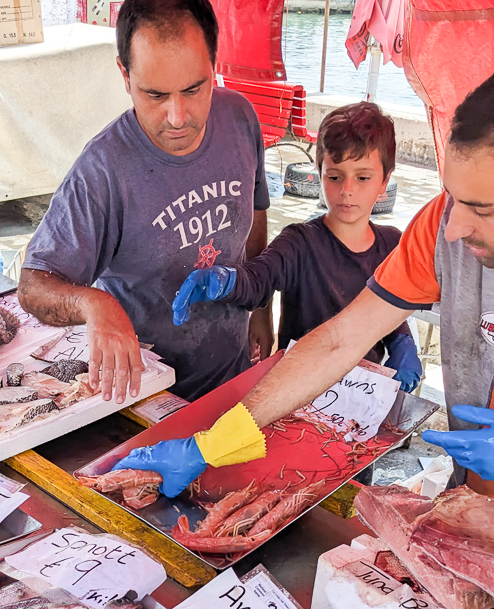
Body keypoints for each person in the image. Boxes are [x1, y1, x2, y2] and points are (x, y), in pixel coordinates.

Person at [112, 74, 494, 497]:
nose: (453, 229)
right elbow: (339, 340)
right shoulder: (436, 230)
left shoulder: (390, 239)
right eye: (451, 198)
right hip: (466, 491)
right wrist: (209, 445)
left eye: (483, 210)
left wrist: (401, 344)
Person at [18, 0, 270, 406]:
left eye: (194, 89)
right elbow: (32, 286)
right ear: (125, 75)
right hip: (145, 397)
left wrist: (261, 308)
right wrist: (94, 304)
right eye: (155, 94)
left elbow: (256, 215)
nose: (177, 117)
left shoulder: (240, 117)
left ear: (214, 64)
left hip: (232, 375)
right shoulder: (104, 169)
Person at [172, 100, 421, 391]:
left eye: (363, 177)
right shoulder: (299, 242)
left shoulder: (392, 245)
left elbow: (387, 310)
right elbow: (258, 279)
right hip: (294, 392)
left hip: (360, 395)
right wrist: (227, 280)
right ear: (319, 172)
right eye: (335, 176)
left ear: (385, 181)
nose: (347, 190)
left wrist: (402, 340)